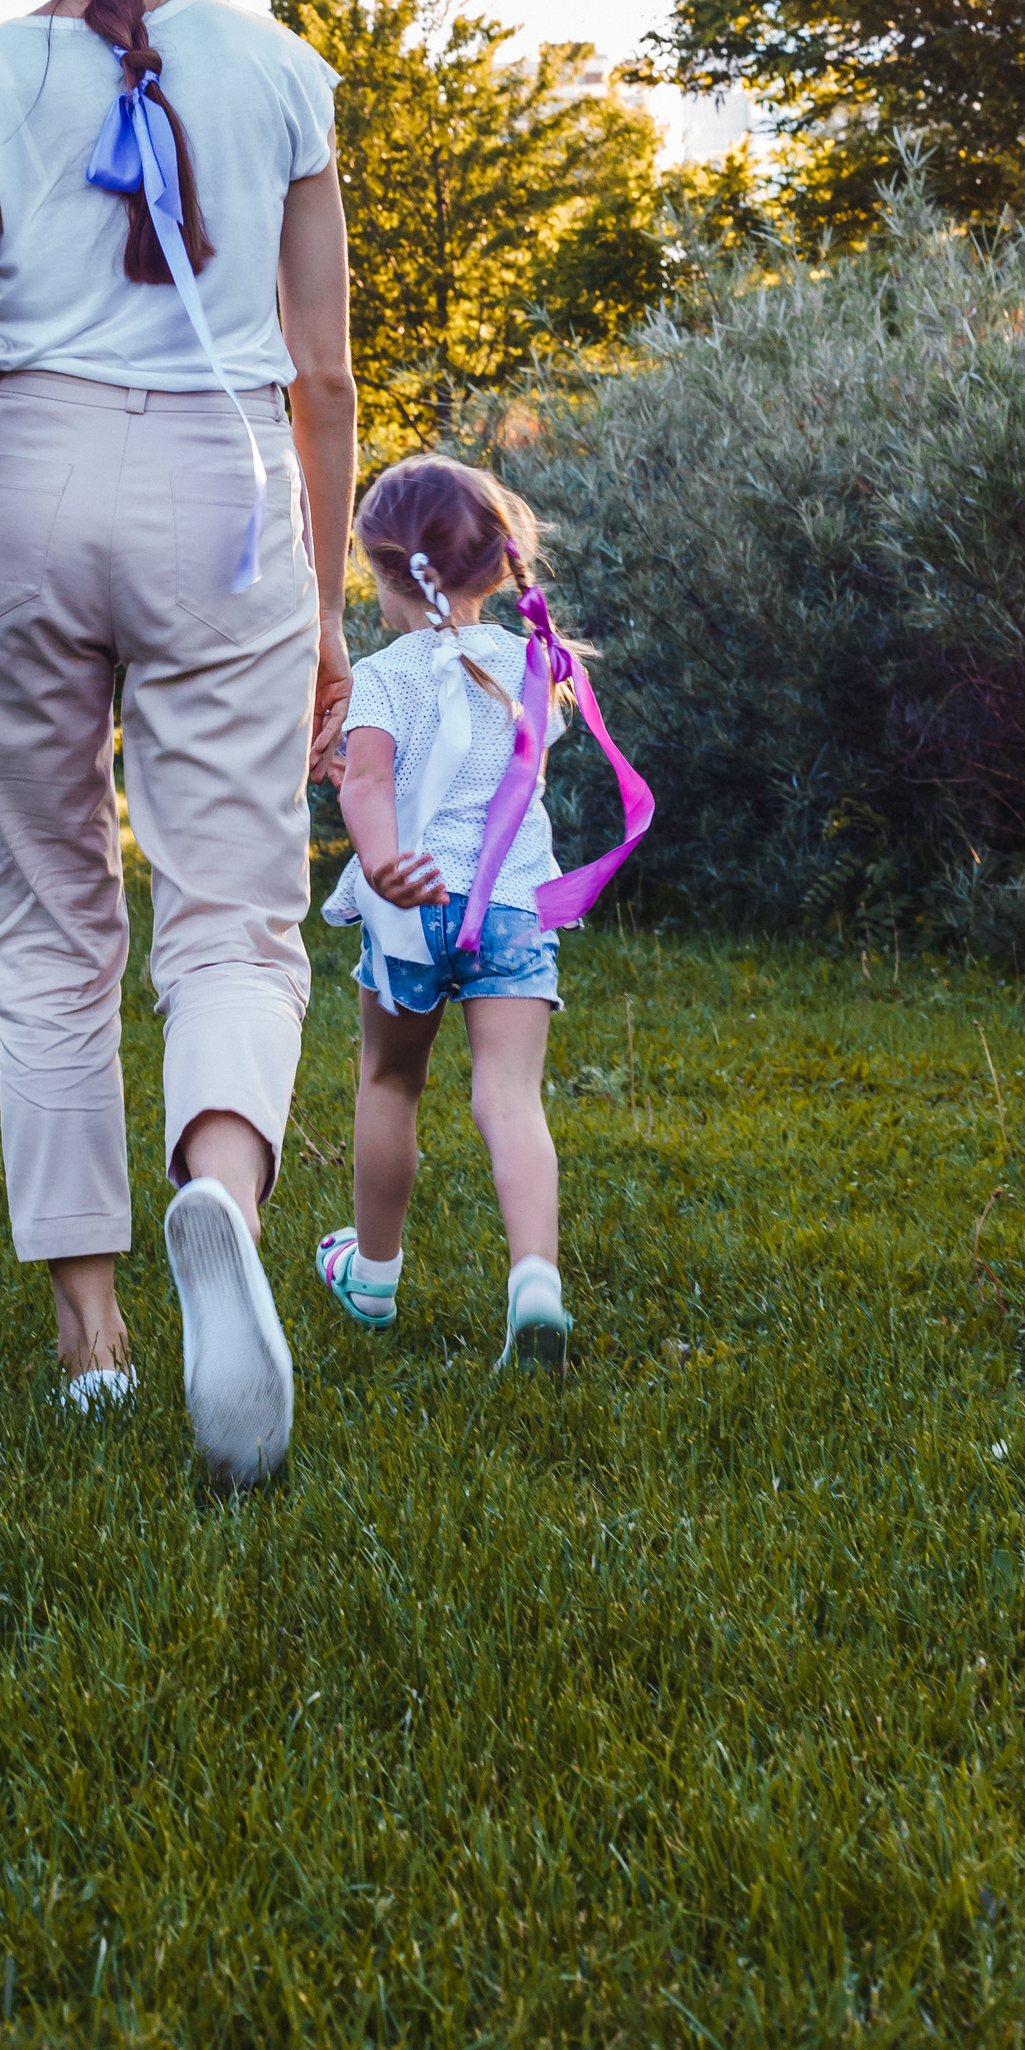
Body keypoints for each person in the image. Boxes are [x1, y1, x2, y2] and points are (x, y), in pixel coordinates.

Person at [0, 0, 356, 1487]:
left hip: (31, 469)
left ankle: (92, 1341)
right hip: (225, 493)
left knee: (50, 922)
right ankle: (216, 1190)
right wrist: (325, 591)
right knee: (233, 911)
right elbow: (324, 369)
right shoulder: (287, 72)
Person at [314, 455, 583, 1369]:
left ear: (388, 574)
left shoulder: (386, 676)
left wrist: (385, 863)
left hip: (416, 905)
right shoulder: (534, 663)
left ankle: (375, 1276)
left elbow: (369, 781)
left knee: (390, 1085)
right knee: (510, 1097)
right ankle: (535, 1280)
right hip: (512, 906)